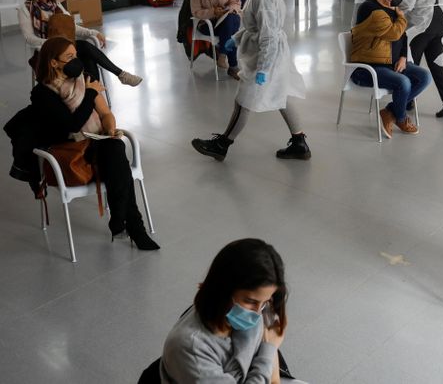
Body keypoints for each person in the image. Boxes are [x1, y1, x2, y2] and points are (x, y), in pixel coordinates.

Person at [29, 37, 159, 250]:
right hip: (70, 148)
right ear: (53, 63)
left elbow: (106, 113)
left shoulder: (84, 78)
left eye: (76, 56)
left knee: (116, 146)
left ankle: (129, 224)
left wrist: (109, 128)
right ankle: (127, 224)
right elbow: (73, 124)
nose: (76, 61)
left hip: (97, 141)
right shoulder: (42, 93)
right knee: (118, 162)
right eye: (69, 57)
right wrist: (90, 93)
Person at [192, 0, 310, 161]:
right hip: (272, 54)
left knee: (242, 101)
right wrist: (236, 39)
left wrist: (263, 69)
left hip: (268, 57)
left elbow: (268, 37)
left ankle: (222, 145)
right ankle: (299, 142)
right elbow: (255, 27)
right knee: (281, 94)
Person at [160, 238, 286, 383]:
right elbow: (269, 353)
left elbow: (275, 380)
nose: (258, 313)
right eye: (250, 301)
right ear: (222, 289)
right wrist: (268, 349)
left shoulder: (256, 302)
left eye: (266, 302)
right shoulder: (190, 348)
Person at [20, 0, 142, 87]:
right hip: (47, 51)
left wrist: (94, 32)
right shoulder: (26, 9)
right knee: (83, 49)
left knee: (87, 53)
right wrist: (53, 43)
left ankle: (102, 87)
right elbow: (29, 38)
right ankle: (110, 82)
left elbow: (72, 27)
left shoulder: (56, 5)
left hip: (67, 48)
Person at [350, 0, 431, 137]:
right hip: (368, 66)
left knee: (425, 77)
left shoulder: (389, 7)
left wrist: (403, 56)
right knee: (404, 82)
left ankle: (390, 112)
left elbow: (403, 36)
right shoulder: (370, 9)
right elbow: (394, 33)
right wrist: (401, 18)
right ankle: (400, 117)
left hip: (391, 62)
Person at [191, 0, 243, 79]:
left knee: (231, 20)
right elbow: (196, 11)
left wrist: (228, 9)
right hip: (206, 24)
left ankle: (223, 54)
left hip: (225, 21)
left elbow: (236, 2)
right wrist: (213, 12)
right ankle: (233, 66)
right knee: (232, 28)